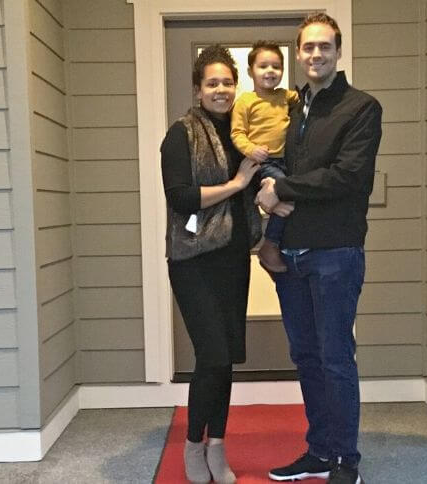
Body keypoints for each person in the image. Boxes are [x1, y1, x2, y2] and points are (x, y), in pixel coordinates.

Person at [257, 13, 382, 484]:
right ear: (299, 52)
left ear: (338, 50)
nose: (315, 54)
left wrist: (283, 189)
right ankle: (319, 450)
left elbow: (348, 177)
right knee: (307, 357)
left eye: (323, 46)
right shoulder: (293, 108)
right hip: (292, 256)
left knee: (335, 358)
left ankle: (346, 460)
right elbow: (282, 163)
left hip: (336, 253)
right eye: (307, 47)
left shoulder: (361, 108)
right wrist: (269, 182)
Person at [160, 44, 292, 484]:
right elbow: (180, 199)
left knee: (226, 357)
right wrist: (236, 182)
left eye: (227, 82)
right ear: (198, 90)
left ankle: (218, 444)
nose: (221, 89)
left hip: (234, 257)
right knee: (212, 353)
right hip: (193, 260)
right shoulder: (181, 134)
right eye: (212, 83)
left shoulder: (243, 131)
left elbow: (264, 175)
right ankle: (193, 446)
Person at [231, 41, 299, 273]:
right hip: (263, 162)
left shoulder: (285, 96)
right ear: (251, 71)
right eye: (263, 66)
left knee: (294, 198)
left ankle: (277, 239)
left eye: (276, 66)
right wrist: (250, 149)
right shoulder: (245, 102)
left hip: (286, 160)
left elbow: (307, 99)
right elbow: (237, 133)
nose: (270, 71)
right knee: (286, 195)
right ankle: (269, 245)